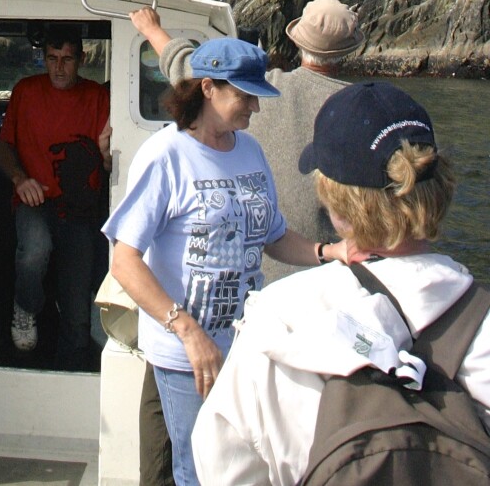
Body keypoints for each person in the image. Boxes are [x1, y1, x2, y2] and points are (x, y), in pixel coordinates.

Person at [193, 80, 490, 485]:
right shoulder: (482, 318)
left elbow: (224, 469)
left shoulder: (278, 321)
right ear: (438, 188)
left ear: (335, 204)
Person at [105, 10, 351, 486]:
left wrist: (329, 252)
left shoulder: (249, 150)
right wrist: (187, 331)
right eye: (245, 96)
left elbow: (274, 235)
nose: (255, 110)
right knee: (198, 471)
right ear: (207, 88)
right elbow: (124, 259)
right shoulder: (165, 156)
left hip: (243, 346)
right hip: (187, 356)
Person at [0, 23, 111, 369]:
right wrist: (20, 179)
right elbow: (3, 145)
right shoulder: (26, 91)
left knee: (78, 317)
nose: (59, 67)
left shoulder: (98, 97)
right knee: (34, 251)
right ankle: (26, 308)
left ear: (82, 59)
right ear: (43, 59)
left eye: (67, 59)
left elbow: (110, 160)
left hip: (81, 211)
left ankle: (72, 385)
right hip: (35, 201)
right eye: (52, 58)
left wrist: (106, 155)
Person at [249, 0, 365, 284]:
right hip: (324, 276)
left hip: (256, 269)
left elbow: (190, 72)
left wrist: (154, 32)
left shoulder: (262, 88)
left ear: (298, 43)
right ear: (347, 51)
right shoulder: (359, 108)